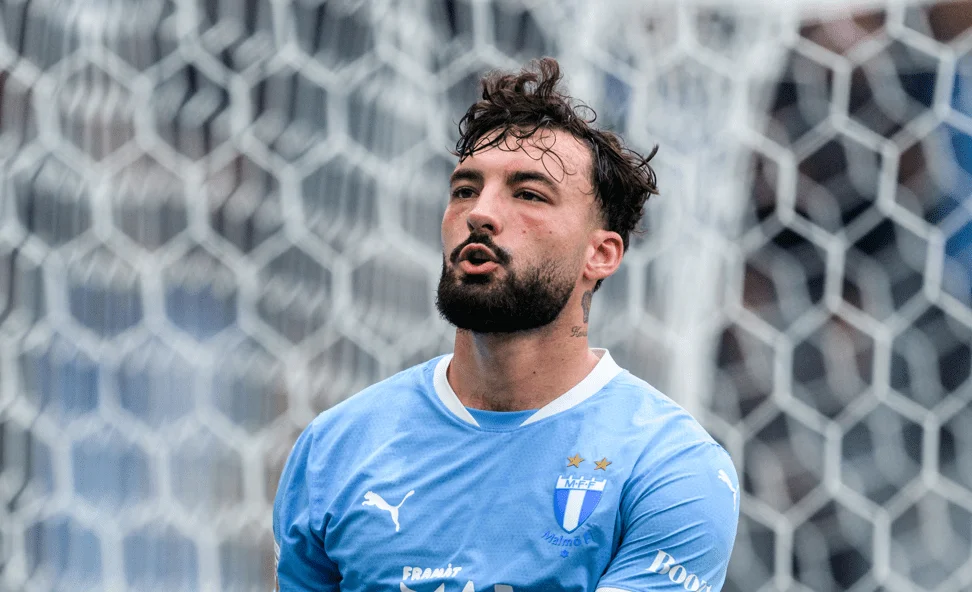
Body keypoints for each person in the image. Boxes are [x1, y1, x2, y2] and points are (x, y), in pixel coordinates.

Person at [273, 57, 739, 592]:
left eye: (529, 194)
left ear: (601, 254)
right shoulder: (334, 448)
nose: (480, 213)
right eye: (465, 190)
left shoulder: (670, 467)